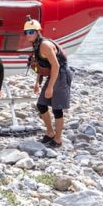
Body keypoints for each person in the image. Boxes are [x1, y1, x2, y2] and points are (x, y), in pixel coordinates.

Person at [24, 18, 73, 148]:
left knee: (57, 108)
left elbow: (56, 66)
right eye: (26, 32)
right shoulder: (36, 45)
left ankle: (58, 139)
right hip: (53, 74)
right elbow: (41, 65)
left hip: (61, 74)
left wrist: (50, 87)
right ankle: (50, 133)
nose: (28, 34)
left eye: (31, 32)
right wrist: (37, 83)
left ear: (37, 32)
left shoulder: (44, 45)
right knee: (41, 105)